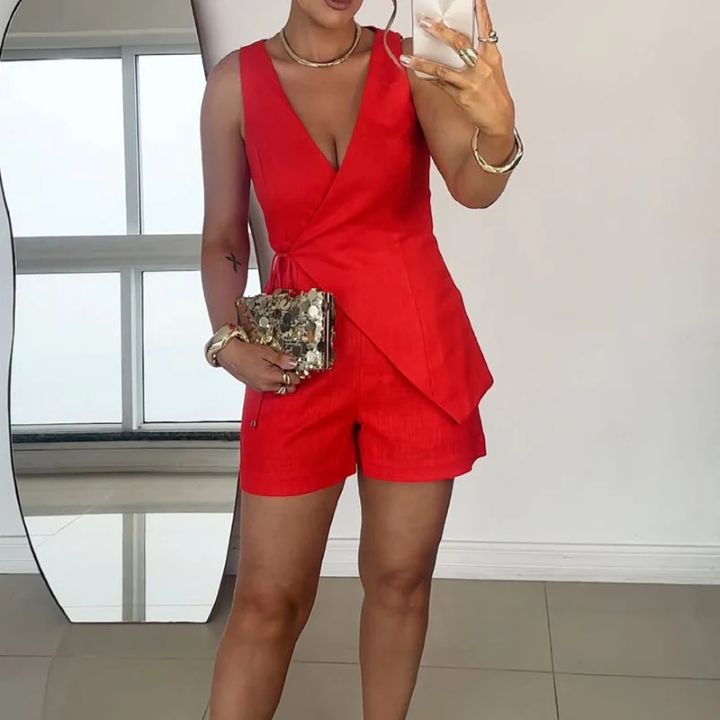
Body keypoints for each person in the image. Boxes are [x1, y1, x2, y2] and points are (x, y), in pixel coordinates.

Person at [199, 1, 520, 718]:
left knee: (401, 580)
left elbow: (473, 187)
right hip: (295, 355)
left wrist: (499, 130)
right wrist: (227, 339)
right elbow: (223, 235)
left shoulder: (413, 64)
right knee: (268, 599)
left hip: (416, 350)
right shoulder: (234, 85)